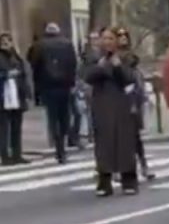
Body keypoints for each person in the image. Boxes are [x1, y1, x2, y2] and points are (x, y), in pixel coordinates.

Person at [82, 28, 139, 196]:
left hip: (121, 104)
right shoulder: (95, 58)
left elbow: (128, 79)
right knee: (104, 144)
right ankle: (104, 181)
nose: (107, 42)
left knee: (124, 143)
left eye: (110, 38)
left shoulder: (126, 57)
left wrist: (117, 66)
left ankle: (129, 179)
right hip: (101, 104)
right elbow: (88, 76)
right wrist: (102, 67)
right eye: (104, 38)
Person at [34, 22, 77, 164]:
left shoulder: (40, 45)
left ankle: (58, 146)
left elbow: (35, 65)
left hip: (48, 86)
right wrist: (72, 82)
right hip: (65, 86)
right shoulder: (67, 44)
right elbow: (73, 64)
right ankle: (63, 144)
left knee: (53, 117)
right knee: (64, 116)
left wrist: (37, 87)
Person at [116, 27, 155, 181]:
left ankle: (143, 165)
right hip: (119, 99)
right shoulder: (113, 58)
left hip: (133, 98)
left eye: (125, 36)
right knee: (119, 136)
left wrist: (141, 98)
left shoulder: (131, 58)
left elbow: (136, 80)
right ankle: (119, 168)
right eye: (119, 36)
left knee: (135, 136)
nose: (123, 38)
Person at [0, 32, 31, 165]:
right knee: (4, 129)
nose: (6, 44)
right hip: (3, 96)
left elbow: (24, 73)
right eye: (3, 42)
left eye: (8, 41)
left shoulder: (16, 56)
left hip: (17, 95)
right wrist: (6, 75)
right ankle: (5, 156)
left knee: (16, 127)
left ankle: (17, 154)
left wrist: (27, 93)